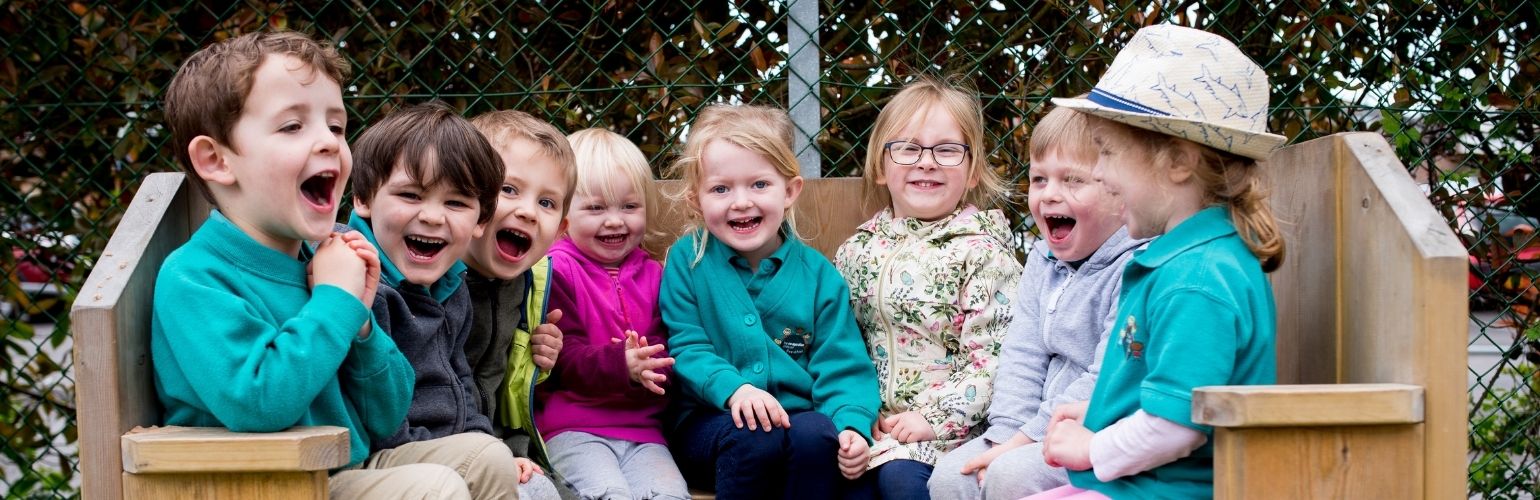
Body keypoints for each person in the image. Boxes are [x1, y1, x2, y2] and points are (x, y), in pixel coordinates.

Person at [149, 31, 461, 498]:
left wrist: (361, 327)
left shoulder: (324, 261)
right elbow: (258, 404)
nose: (329, 143)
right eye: (293, 127)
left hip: (343, 472)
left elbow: (390, 412)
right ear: (216, 159)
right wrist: (335, 302)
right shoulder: (195, 278)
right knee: (433, 488)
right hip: (264, 486)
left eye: (336, 127)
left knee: (484, 459)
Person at [1030, 24, 1287, 499]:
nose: (1101, 173)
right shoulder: (1193, 260)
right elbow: (1164, 393)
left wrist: (1094, 446)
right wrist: (1098, 412)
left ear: (1177, 163)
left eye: (1107, 153)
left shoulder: (1197, 279)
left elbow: (1176, 427)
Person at [660, 104, 880, 499]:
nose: (741, 202)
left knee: (819, 435)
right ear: (696, 200)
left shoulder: (818, 277)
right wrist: (736, 391)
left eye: (759, 184)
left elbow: (842, 363)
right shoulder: (686, 260)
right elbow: (687, 346)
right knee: (754, 435)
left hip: (796, 423)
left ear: (790, 191)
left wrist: (851, 426)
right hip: (711, 424)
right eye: (721, 189)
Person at [928, 106, 1143, 499]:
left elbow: (1105, 376)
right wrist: (1007, 433)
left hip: (1095, 430)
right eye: (1039, 179)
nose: (1050, 194)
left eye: (1073, 180)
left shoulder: (1134, 269)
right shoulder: (1043, 260)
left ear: (1121, 190)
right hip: (1031, 430)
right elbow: (1022, 352)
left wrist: (1026, 440)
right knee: (948, 478)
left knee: (1010, 477)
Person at [346, 101, 549, 499]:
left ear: (480, 221)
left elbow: (460, 384)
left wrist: (483, 442)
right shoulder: (358, 276)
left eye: (455, 203)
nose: (434, 217)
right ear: (365, 198)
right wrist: (471, 449)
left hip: (436, 449)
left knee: (523, 479)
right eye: (410, 195)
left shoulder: (452, 285)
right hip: (374, 455)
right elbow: (372, 412)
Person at [832, 75, 1021, 500]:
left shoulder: (983, 254)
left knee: (901, 482)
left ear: (972, 172)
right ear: (882, 166)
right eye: (908, 148)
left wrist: (931, 419)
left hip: (950, 432)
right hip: (868, 425)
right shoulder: (855, 251)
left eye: (948, 150)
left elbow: (992, 359)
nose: (927, 162)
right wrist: (855, 416)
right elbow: (838, 345)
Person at [535, 128, 690, 500]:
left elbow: (669, 346)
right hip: (573, 427)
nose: (615, 221)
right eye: (596, 208)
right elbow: (564, 356)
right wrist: (623, 364)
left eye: (629, 207)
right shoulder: (556, 269)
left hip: (645, 433)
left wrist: (652, 366)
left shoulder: (655, 274)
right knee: (608, 493)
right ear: (564, 216)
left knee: (670, 495)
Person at [464, 109, 580, 499]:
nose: (528, 211)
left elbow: (499, 388)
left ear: (561, 230)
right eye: (509, 190)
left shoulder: (525, 285)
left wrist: (534, 361)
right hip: (443, 447)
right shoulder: (437, 280)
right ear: (469, 194)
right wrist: (495, 453)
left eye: (547, 202)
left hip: (500, 443)